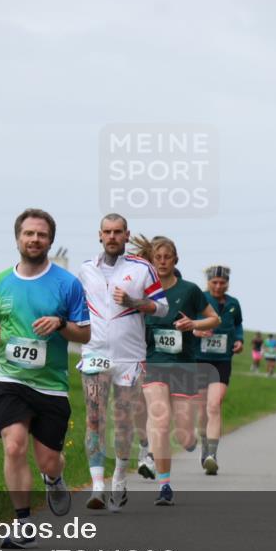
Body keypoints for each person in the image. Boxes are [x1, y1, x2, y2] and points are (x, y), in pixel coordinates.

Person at [0, 208, 91, 548]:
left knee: (48, 459)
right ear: (17, 238)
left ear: (50, 241)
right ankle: (23, 523)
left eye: (41, 234)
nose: (35, 239)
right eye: (29, 233)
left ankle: (53, 478)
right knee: (13, 445)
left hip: (52, 386)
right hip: (10, 379)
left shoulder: (67, 284)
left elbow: (84, 334)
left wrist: (60, 324)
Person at [76, 214, 167, 511]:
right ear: (99, 235)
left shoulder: (143, 269)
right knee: (94, 417)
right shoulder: (86, 270)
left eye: (118, 232)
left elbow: (162, 308)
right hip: (95, 352)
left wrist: (134, 303)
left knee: (124, 420)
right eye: (107, 232)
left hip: (130, 356)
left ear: (126, 235)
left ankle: (119, 477)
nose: (112, 236)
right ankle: (97, 487)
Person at [131, 235, 220, 506]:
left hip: (183, 364)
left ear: (175, 260)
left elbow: (213, 319)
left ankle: (190, 442)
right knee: (159, 419)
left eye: (167, 257)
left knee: (184, 434)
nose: (162, 262)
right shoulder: (143, 291)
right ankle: (164, 484)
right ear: (151, 261)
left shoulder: (190, 290)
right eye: (157, 257)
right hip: (154, 362)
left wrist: (193, 323)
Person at [193, 265, 243, 475]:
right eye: (215, 282)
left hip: (223, 360)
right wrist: (196, 330)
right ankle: (205, 447)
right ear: (208, 282)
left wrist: (239, 340)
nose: (218, 286)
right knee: (203, 409)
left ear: (227, 283)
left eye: (222, 283)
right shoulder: (199, 299)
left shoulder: (233, 304)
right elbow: (186, 323)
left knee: (214, 405)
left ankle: (212, 455)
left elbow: (238, 324)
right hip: (200, 359)